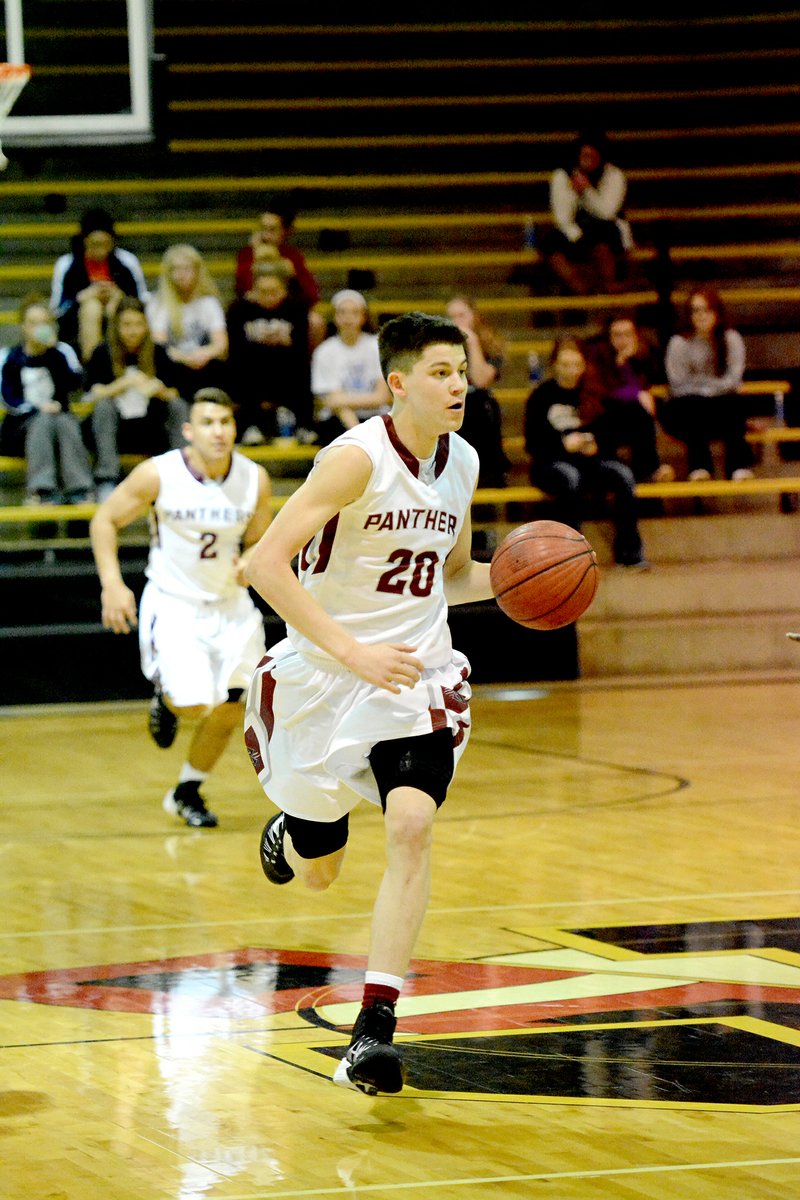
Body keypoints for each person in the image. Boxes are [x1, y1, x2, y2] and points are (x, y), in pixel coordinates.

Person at [243, 311, 494, 1095]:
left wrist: (520, 581)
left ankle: (372, 1032)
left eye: (462, 371)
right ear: (398, 383)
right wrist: (351, 651)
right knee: (321, 871)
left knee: (412, 824)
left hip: (415, 675)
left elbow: (452, 574)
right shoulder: (354, 461)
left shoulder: (464, 463)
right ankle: (298, 825)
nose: (458, 385)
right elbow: (264, 564)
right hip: (325, 674)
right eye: (441, 373)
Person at [89, 388, 273, 829]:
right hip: (174, 604)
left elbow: (259, 541)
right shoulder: (159, 474)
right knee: (194, 704)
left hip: (230, 605)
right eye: (208, 423)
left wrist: (253, 560)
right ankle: (167, 702)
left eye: (225, 422)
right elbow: (104, 520)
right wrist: (112, 585)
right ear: (189, 431)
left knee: (233, 705)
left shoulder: (254, 478)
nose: (218, 431)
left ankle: (187, 790)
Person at [524, 337, 647, 568]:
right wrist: (562, 445)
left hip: (591, 462)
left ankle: (630, 553)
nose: (571, 371)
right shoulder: (541, 396)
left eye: (576, 365)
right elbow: (533, 443)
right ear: (554, 365)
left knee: (623, 475)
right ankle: (572, 554)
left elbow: (612, 432)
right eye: (565, 365)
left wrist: (597, 443)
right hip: (552, 463)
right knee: (569, 477)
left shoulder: (595, 392)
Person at [84, 297, 189, 501]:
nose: (132, 331)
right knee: (103, 406)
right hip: (116, 431)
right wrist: (124, 384)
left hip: (150, 428)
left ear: (146, 325)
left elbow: (176, 393)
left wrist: (158, 389)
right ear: (116, 326)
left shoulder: (158, 352)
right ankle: (107, 478)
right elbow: (93, 394)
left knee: (178, 406)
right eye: (126, 325)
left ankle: (183, 474)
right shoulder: (102, 352)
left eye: (138, 324)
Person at [0, 295, 94, 504]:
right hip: (19, 428)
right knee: (43, 421)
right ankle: (42, 489)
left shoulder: (62, 352)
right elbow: (8, 398)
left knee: (64, 422)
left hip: (60, 422)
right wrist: (37, 409)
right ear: (23, 326)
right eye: (32, 323)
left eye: (43, 323)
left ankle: (79, 488)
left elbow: (76, 384)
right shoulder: (9, 357)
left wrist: (52, 353)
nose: (37, 328)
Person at [662, 286, 754, 482]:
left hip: (721, 406)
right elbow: (677, 384)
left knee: (733, 402)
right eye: (696, 310)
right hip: (689, 408)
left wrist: (704, 389)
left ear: (717, 313)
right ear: (689, 314)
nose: (701, 316)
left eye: (707, 310)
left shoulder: (731, 339)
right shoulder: (678, 342)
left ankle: (737, 467)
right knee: (693, 405)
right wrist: (709, 390)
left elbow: (734, 379)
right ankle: (700, 467)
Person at [226, 260, 315, 444]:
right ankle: (250, 428)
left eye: (274, 291)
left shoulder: (296, 309)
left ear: (284, 289)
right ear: (253, 290)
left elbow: (301, 350)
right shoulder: (239, 309)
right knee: (241, 373)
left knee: (303, 372)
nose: (268, 297)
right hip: (252, 369)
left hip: (286, 368)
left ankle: (303, 426)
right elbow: (236, 352)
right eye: (262, 292)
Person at [49, 206, 148, 363]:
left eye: (106, 244)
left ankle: (118, 362)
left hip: (121, 317)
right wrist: (81, 298)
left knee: (114, 305)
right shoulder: (67, 264)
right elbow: (56, 310)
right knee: (91, 307)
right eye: (95, 244)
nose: (101, 250)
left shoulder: (127, 262)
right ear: (85, 241)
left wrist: (120, 296)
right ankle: (94, 364)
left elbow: (142, 301)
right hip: (76, 323)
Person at [585, 312, 675, 483]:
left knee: (638, 413)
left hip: (631, 422)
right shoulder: (597, 356)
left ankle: (645, 471)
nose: (622, 340)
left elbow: (650, 387)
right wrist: (635, 391)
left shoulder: (646, 356)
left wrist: (625, 364)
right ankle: (648, 470)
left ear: (636, 336)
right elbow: (602, 393)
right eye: (617, 335)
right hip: (602, 419)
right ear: (608, 337)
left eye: (628, 334)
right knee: (636, 410)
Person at [541, 130, 632, 295]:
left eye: (593, 156)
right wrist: (579, 237)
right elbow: (562, 218)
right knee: (549, 242)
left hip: (604, 229)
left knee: (603, 232)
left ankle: (609, 284)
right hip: (574, 232)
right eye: (584, 155)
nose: (588, 160)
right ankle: (580, 288)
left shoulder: (614, 175)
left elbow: (607, 212)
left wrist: (587, 191)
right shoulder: (562, 175)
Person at [234, 201, 326, 348]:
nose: (265, 235)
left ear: (285, 231)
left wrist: (293, 274)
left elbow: (312, 296)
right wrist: (256, 257)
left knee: (315, 321)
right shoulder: (246, 254)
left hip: (286, 311)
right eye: (262, 229)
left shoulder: (293, 256)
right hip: (255, 311)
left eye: (272, 230)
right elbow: (242, 291)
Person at [146, 244, 228, 401]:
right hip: (174, 367)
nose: (181, 274)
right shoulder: (157, 303)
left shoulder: (209, 303)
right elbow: (159, 345)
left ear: (197, 271)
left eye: (186, 269)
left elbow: (221, 345)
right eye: (175, 269)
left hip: (203, 364)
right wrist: (186, 358)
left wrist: (203, 354)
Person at [310, 289, 390, 444]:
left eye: (354, 312)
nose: (348, 318)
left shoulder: (377, 347)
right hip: (338, 421)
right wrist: (358, 433)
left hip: (376, 417)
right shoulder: (325, 351)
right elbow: (333, 402)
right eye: (343, 313)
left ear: (364, 316)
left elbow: (382, 397)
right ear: (335, 317)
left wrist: (344, 399)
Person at [445, 295, 510, 488]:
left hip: (478, 410)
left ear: (474, 316)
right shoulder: (439, 347)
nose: (457, 322)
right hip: (449, 406)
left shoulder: (491, 344)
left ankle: (489, 475)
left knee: (478, 403)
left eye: (462, 315)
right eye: (452, 317)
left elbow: (481, 379)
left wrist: (472, 343)